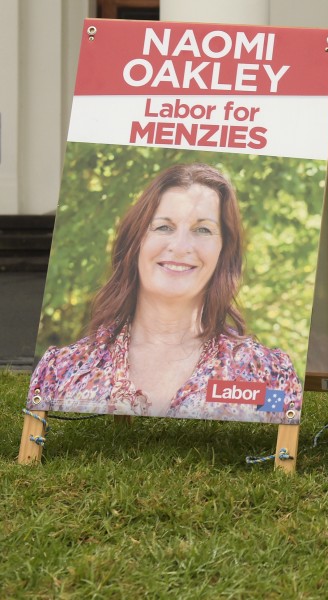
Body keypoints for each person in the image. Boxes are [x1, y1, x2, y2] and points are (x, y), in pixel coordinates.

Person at [27, 163, 302, 423]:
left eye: (203, 229)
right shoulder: (61, 371)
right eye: (164, 227)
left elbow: (277, 416)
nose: (181, 246)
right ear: (135, 242)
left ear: (223, 251)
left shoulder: (267, 373)